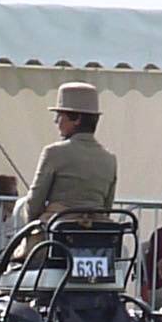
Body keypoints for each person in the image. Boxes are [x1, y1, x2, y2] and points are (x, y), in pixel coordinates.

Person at [24, 82, 117, 223]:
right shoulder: (110, 159)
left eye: (60, 115)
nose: (56, 121)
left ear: (77, 119)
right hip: (97, 232)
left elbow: (34, 201)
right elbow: (107, 206)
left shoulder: (54, 153)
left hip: (57, 230)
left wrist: (31, 224)